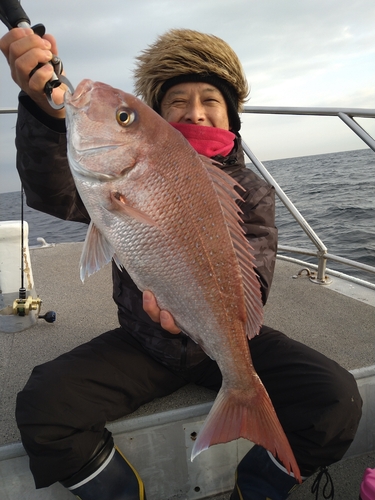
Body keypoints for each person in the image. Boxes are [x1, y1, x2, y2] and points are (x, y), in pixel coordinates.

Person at [0, 27, 362, 500]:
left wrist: (222, 348)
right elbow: (55, 192)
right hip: (144, 343)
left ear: (231, 115)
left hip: (229, 338)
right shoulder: (114, 179)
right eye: (176, 101)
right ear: (160, 117)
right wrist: (45, 115)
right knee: (43, 404)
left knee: (336, 398)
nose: (194, 111)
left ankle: (254, 488)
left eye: (210, 99)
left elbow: (252, 281)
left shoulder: (251, 188)